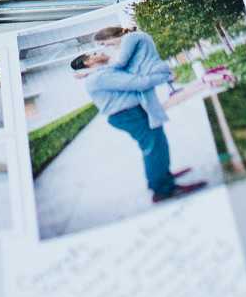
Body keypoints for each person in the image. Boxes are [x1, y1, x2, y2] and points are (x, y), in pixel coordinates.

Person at [71, 33, 207, 205]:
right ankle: (163, 190)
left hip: (129, 113)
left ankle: (161, 176)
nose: (101, 51)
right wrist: (166, 76)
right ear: (88, 62)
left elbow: (121, 68)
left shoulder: (99, 74)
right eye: (95, 54)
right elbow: (139, 82)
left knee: (157, 144)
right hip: (127, 115)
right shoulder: (100, 77)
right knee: (154, 146)